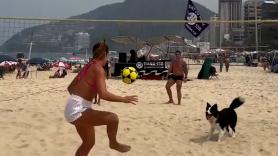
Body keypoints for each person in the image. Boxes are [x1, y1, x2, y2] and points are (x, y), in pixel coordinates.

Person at [65, 41, 138, 156]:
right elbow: (104, 94)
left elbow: (70, 88)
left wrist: (85, 93)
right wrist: (123, 99)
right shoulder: (98, 69)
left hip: (73, 105)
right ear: (105, 54)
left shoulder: (88, 66)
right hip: (78, 109)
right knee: (113, 119)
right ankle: (113, 143)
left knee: (88, 143)